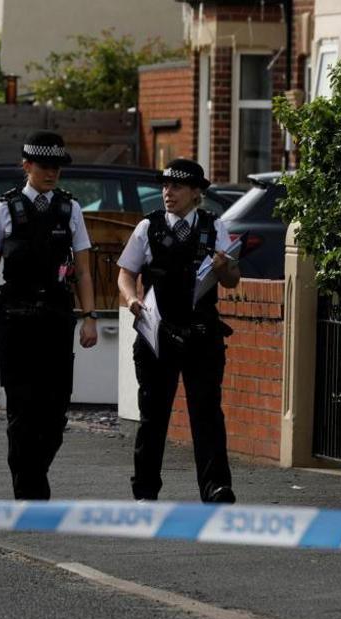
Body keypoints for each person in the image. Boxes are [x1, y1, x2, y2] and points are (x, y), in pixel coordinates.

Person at [0, 131, 99, 500]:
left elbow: (82, 270)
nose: (52, 173)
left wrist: (90, 316)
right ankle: (30, 492)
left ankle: (34, 475)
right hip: (15, 319)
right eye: (45, 166)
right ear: (26, 166)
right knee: (21, 409)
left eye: (57, 167)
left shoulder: (70, 209)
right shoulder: (4, 209)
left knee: (55, 410)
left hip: (56, 318)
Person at [116, 159, 240, 503]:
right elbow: (125, 273)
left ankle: (216, 487)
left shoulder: (215, 227)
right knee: (153, 415)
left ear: (196, 193)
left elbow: (232, 280)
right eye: (165, 186)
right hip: (157, 332)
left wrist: (225, 266)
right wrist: (131, 300)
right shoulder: (148, 227)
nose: (167, 193)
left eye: (177, 186)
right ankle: (145, 490)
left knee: (207, 413)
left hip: (202, 332)